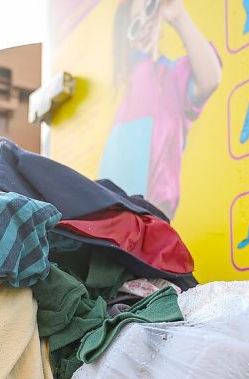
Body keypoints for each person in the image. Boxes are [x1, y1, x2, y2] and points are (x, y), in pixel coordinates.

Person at [99, 0, 221, 219]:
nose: (144, 25)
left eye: (148, 11)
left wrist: (178, 17)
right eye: (135, 24)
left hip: (154, 220)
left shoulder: (170, 76)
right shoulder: (126, 85)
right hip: (120, 224)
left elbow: (210, 78)